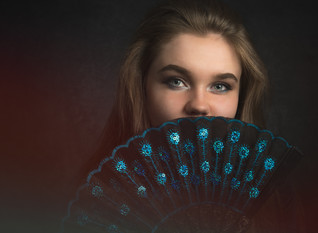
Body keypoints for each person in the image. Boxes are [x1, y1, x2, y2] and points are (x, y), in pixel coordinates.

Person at [81, 0, 304, 232]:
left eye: (220, 86)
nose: (199, 105)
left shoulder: (275, 201)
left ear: (242, 96)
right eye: (176, 82)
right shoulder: (98, 200)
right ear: (141, 87)